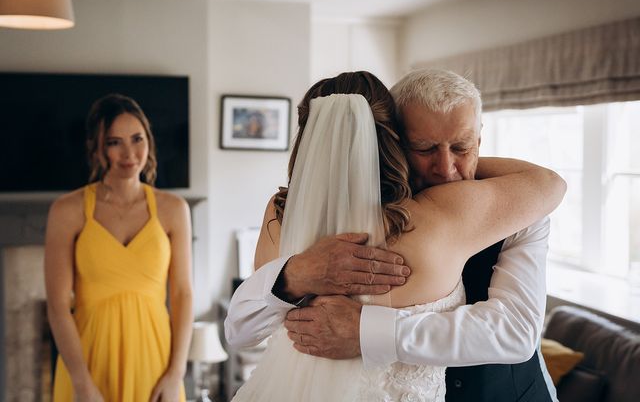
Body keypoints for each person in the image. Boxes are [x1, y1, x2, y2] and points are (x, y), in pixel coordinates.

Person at [225, 71, 565, 401]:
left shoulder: (521, 207)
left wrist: (364, 331)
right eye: (425, 148)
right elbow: (240, 327)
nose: (446, 169)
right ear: (394, 142)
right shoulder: (314, 214)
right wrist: (294, 274)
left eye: (461, 147)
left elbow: (515, 332)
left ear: (479, 140)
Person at [45, 94, 193, 402]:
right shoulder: (67, 210)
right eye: (114, 142)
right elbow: (58, 306)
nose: (129, 153)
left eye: (137, 139)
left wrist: (175, 374)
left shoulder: (173, 209)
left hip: (155, 362)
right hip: (87, 363)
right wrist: (81, 383)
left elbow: (182, 294)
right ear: (97, 147)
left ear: (148, 141)